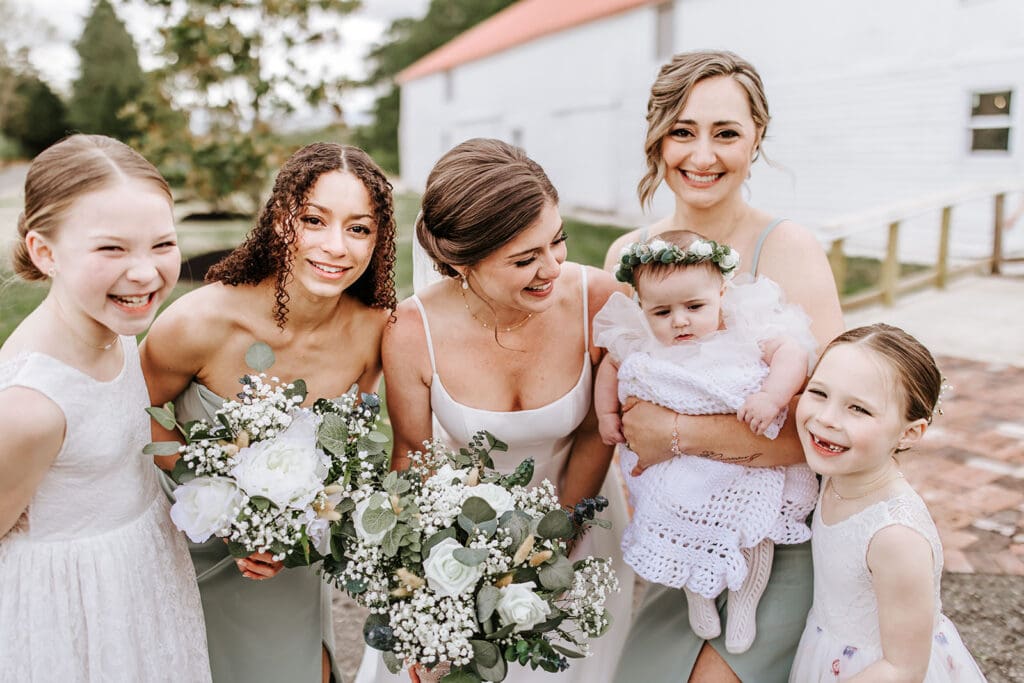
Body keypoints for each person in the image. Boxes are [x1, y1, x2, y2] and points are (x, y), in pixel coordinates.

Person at [355, 137, 633, 683]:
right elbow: (415, 456)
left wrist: (550, 548)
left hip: (581, 523)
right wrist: (445, 579)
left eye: (558, 242)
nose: (552, 267)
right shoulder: (412, 331)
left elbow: (598, 433)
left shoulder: (596, 299)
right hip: (460, 538)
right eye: (525, 259)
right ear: (460, 262)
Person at [606, 51, 844, 682]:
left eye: (726, 133)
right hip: (679, 535)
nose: (701, 155)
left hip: (781, 541)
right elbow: (619, 389)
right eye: (682, 131)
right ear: (657, 136)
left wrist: (675, 434)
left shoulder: (786, 248)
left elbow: (833, 435)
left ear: (756, 139)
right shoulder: (629, 255)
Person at [140, 142, 396, 683]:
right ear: (281, 221)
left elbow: (345, 450)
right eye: (314, 220)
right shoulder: (200, 321)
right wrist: (221, 507)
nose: (336, 246)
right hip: (187, 546)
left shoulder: (374, 333)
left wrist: (291, 537)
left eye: (359, 229)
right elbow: (140, 413)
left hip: (285, 565)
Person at [0, 134, 211, 680]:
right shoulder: (31, 406)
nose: (143, 272)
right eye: (111, 249)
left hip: (140, 573)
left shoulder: (113, 329)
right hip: (69, 613)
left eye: (161, 244)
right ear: (46, 252)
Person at [594, 230, 818, 654]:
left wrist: (771, 395)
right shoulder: (640, 339)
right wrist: (608, 415)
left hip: (741, 460)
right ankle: (699, 599)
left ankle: (745, 604)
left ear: (721, 292)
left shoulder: (745, 327)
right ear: (642, 308)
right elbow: (610, 367)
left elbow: (793, 353)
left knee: (755, 530)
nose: (679, 321)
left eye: (694, 307)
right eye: (662, 312)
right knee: (672, 508)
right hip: (679, 469)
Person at [789, 324, 986, 682]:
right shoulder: (835, 473)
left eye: (859, 409)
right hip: (827, 648)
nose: (827, 418)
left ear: (910, 432)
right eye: (818, 392)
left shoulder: (895, 536)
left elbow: (905, 668)